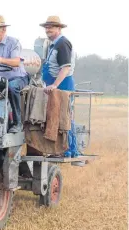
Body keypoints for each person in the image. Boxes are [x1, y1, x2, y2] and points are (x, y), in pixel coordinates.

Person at [39, 16, 82, 163]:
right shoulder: (53, 44)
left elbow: (65, 68)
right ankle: (63, 149)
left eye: (51, 27)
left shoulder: (62, 43)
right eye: (46, 27)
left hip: (63, 85)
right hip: (55, 84)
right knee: (57, 117)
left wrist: (55, 85)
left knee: (65, 118)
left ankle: (69, 150)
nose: (48, 29)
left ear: (59, 28)